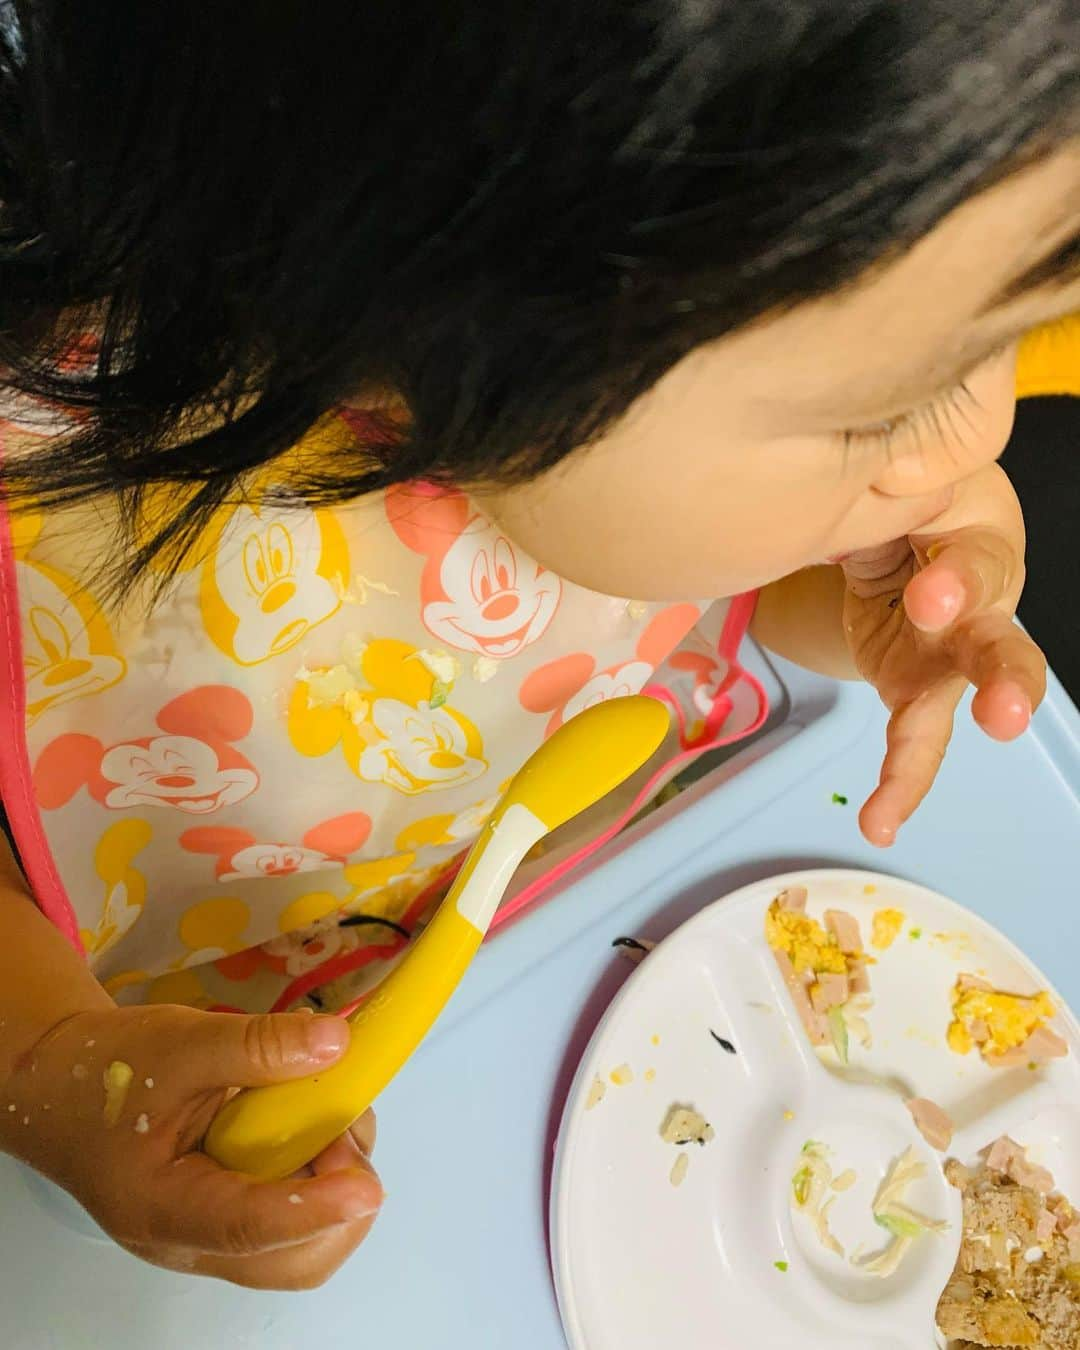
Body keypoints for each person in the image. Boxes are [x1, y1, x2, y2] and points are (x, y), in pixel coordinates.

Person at [0, 0, 1077, 1292]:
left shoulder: (616, 412)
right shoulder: (54, 492)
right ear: (451, 320)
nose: (974, 441)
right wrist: (48, 1064)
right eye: (888, 406)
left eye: (999, 339)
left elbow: (696, 602)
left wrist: (866, 594)